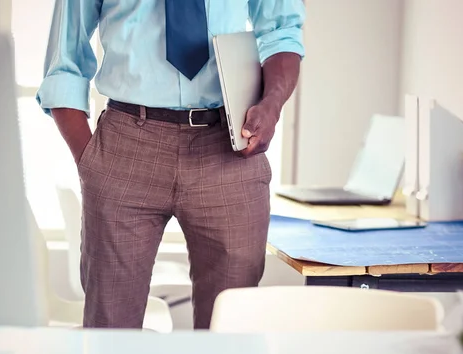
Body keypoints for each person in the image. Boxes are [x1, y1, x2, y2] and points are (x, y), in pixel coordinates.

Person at [37, 0, 305, 329]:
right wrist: (91, 162)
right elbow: (64, 63)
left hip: (229, 146)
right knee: (110, 331)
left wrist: (272, 104)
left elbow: (282, 32)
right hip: (126, 143)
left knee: (231, 330)